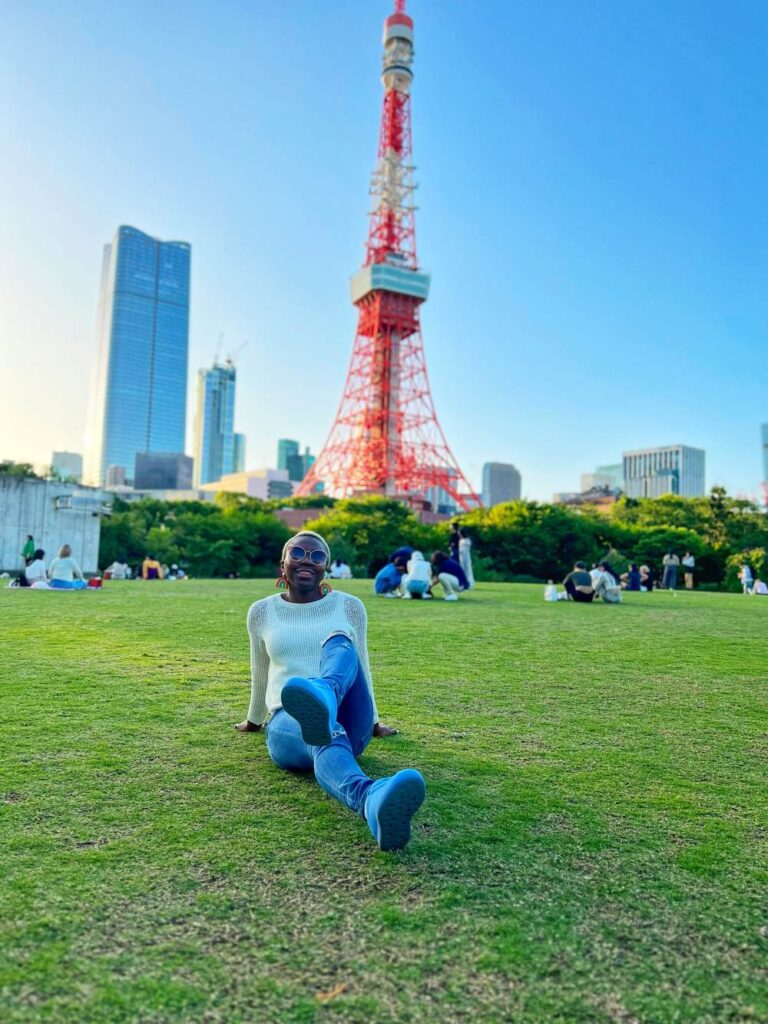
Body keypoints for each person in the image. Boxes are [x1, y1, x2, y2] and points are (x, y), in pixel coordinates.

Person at [234, 530, 426, 851]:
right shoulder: (261, 612)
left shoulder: (348, 606)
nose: (307, 561)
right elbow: (261, 671)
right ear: (283, 563)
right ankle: (371, 798)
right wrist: (254, 720)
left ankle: (324, 692)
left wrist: (374, 722)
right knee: (324, 730)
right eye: (297, 553)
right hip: (287, 720)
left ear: (328, 568)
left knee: (339, 640)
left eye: (317, 556)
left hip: (349, 714)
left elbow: (361, 664)